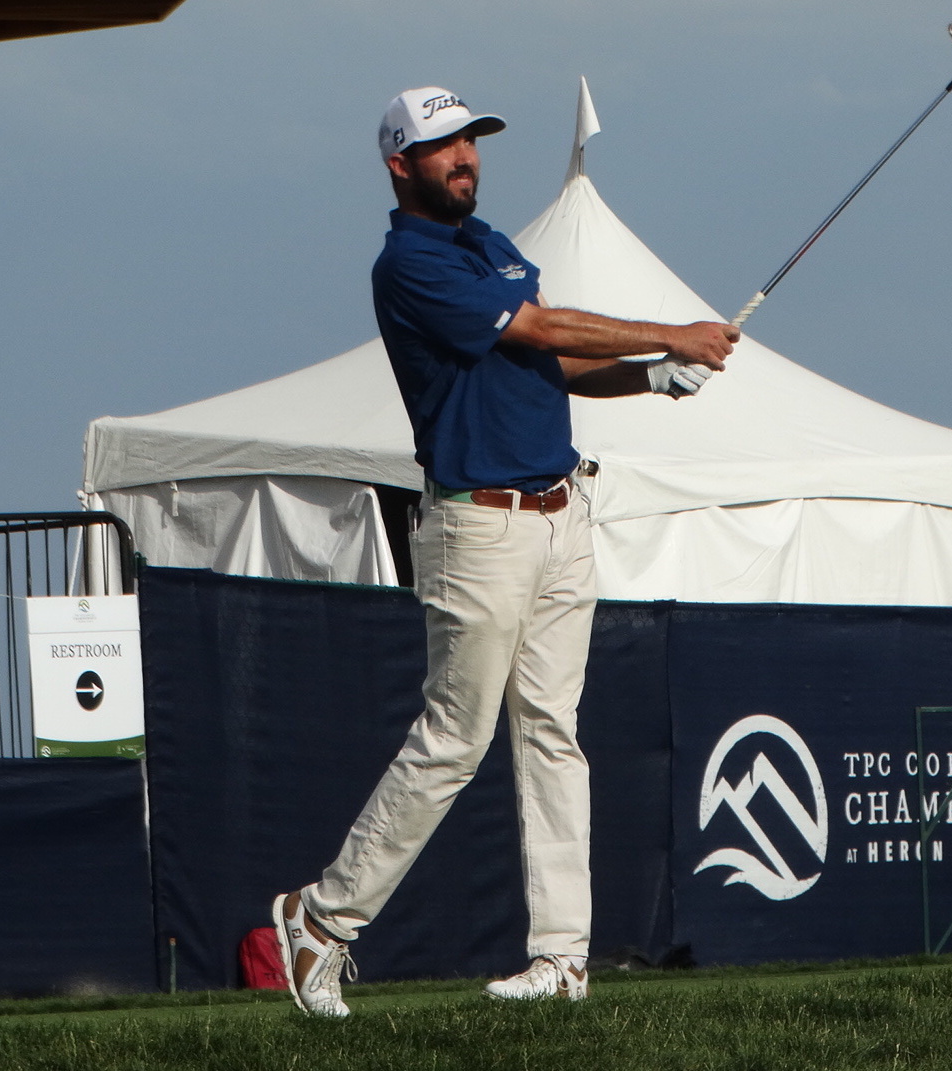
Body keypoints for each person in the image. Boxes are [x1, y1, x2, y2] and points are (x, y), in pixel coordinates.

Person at [271, 86, 739, 1017]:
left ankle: (560, 958)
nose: (467, 159)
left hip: (563, 508)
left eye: (472, 142)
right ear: (400, 163)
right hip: (475, 525)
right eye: (444, 147)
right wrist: (668, 330)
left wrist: (653, 376)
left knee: (552, 735)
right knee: (453, 739)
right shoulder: (408, 263)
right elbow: (537, 328)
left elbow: (553, 361)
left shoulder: (492, 248)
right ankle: (321, 920)